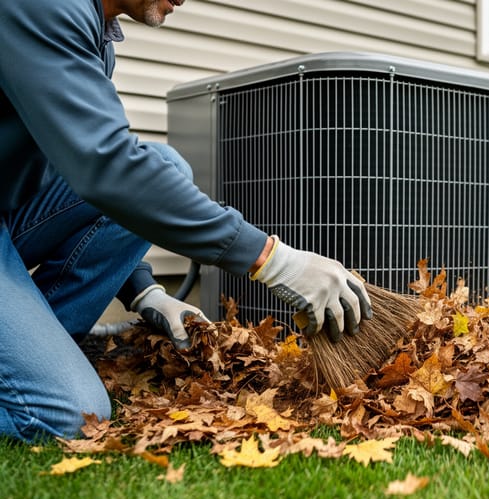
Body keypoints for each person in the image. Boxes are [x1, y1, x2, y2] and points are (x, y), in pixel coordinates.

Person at [0, 0, 372, 442]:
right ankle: (36, 377)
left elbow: (82, 167)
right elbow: (107, 167)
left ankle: (35, 353)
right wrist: (273, 260)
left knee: (165, 163)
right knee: (68, 415)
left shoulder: (97, 34)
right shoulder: (41, 7)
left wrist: (145, 292)